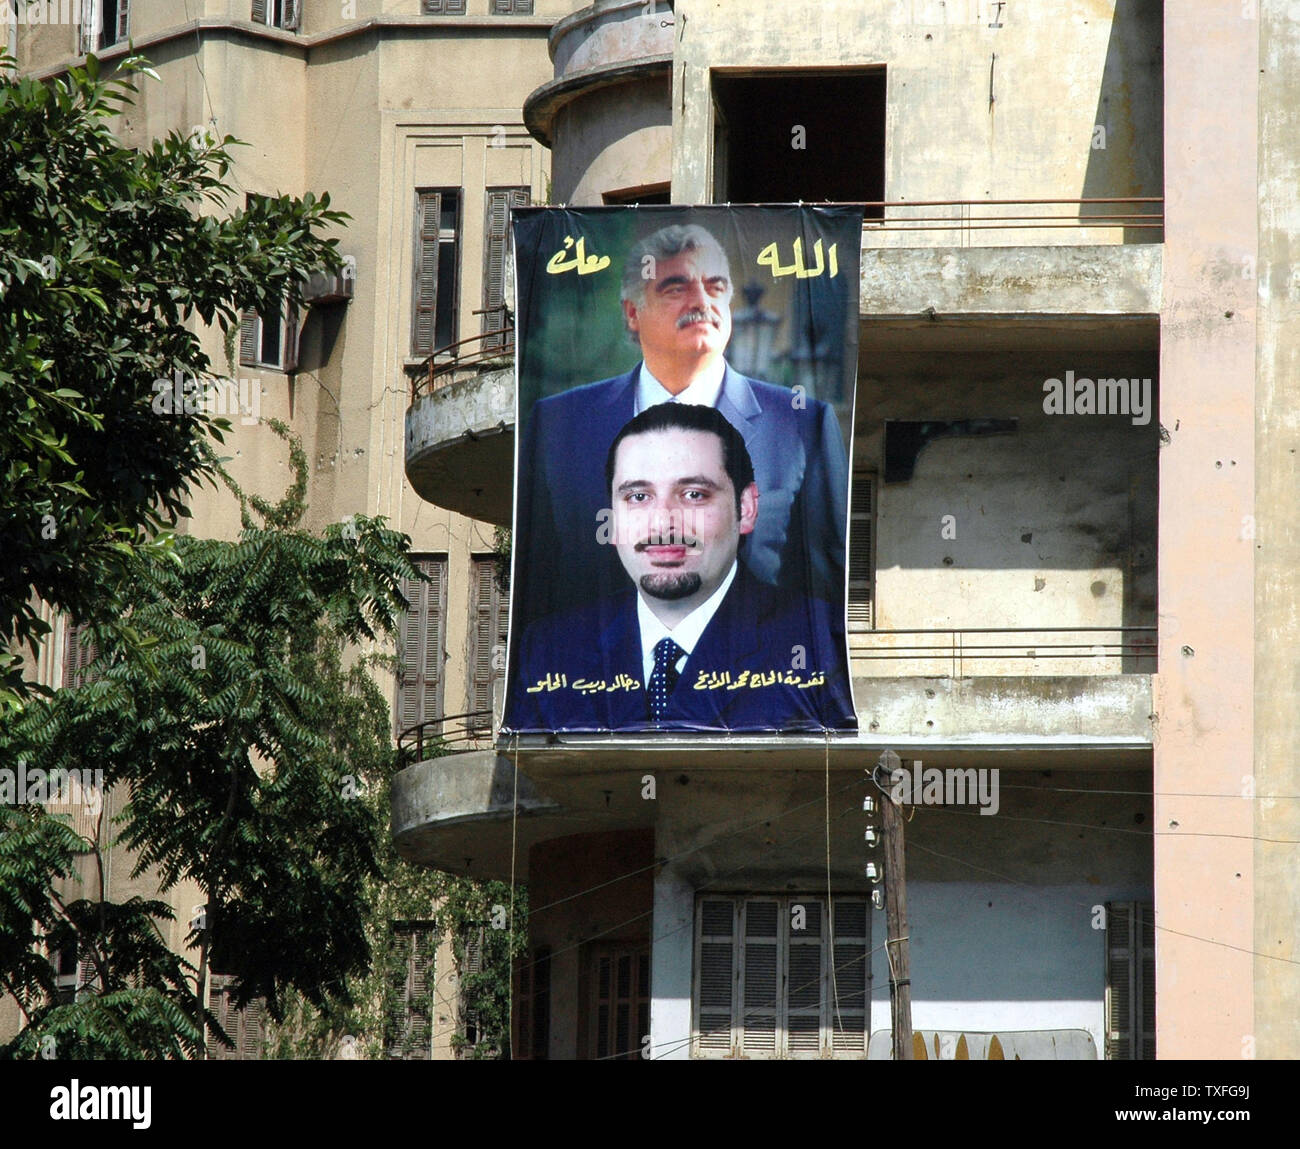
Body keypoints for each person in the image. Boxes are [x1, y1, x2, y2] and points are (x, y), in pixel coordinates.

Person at [514, 222, 849, 633]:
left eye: (716, 286)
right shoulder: (559, 424)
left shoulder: (801, 425)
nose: (702, 302)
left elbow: (827, 583)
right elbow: (538, 578)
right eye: (677, 288)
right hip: (601, 685)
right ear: (632, 313)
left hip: (757, 683)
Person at [505, 404, 856, 733]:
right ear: (610, 518)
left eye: (693, 494)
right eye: (638, 497)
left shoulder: (816, 639)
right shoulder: (549, 650)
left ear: (746, 508)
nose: (662, 524)